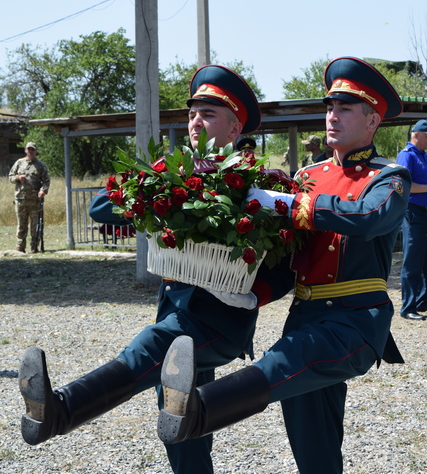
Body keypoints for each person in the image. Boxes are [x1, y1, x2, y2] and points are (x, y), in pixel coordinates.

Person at [17, 65, 296, 474]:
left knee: (152, 347)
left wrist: (256, 295)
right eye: (192, 114)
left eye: (209, 114)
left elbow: (287, 263)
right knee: (181, 425)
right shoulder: (174, 172)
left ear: (235, 128)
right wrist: (161, 186)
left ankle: (60, 410)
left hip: (221, 320)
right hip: (176, 314)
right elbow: (100, 208)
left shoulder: (260, 184)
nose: (196, 122)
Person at [155, 57, 411, 474]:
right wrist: (252, 293)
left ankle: (195, 410)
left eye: (345, 109)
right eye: (329, 107)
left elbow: (370, 216)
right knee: (313, 437)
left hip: (355, 318)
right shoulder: (308, 174)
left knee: (281, 365)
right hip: (305, 314)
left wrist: (295, 204)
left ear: (372, 121)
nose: (331, 116)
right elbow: (290, 258)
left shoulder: (388, 176)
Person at [397, 119, 427, 320]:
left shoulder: (423, 155)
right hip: (413, 211)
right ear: (415, 135)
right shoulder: (406, 156)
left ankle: (421, 300)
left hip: (426, 212)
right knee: (413, 259)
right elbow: (402, 185)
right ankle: (408, 307)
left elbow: (422, 180)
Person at [8, 141, 50, 253]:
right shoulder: (19, 163)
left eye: (33, 149)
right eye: (29, 149)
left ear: (36, 151)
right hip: (21, 199)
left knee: (35, 225)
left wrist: (43, 190)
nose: (30, 151)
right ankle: (20, 247)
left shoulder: (40, 165)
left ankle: (34, 247)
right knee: (21, 224)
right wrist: (18, 178)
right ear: (25, 150)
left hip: (35, 201)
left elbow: (46, 180)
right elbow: (10, 177)